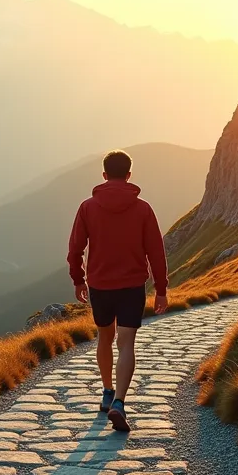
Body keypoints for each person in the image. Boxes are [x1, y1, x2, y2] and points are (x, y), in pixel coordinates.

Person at [67, 149, 168, 432]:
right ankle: (120, 403)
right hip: (132, 285)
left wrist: (78, 279)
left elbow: (75, 248)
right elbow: (156, 253)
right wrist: (161, 288)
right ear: (128, 175)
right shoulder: (143, 209)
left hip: (99, 284)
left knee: (104, 337)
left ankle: (108, 391)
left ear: (104, 175)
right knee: (126, 343)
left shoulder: (87, 207)